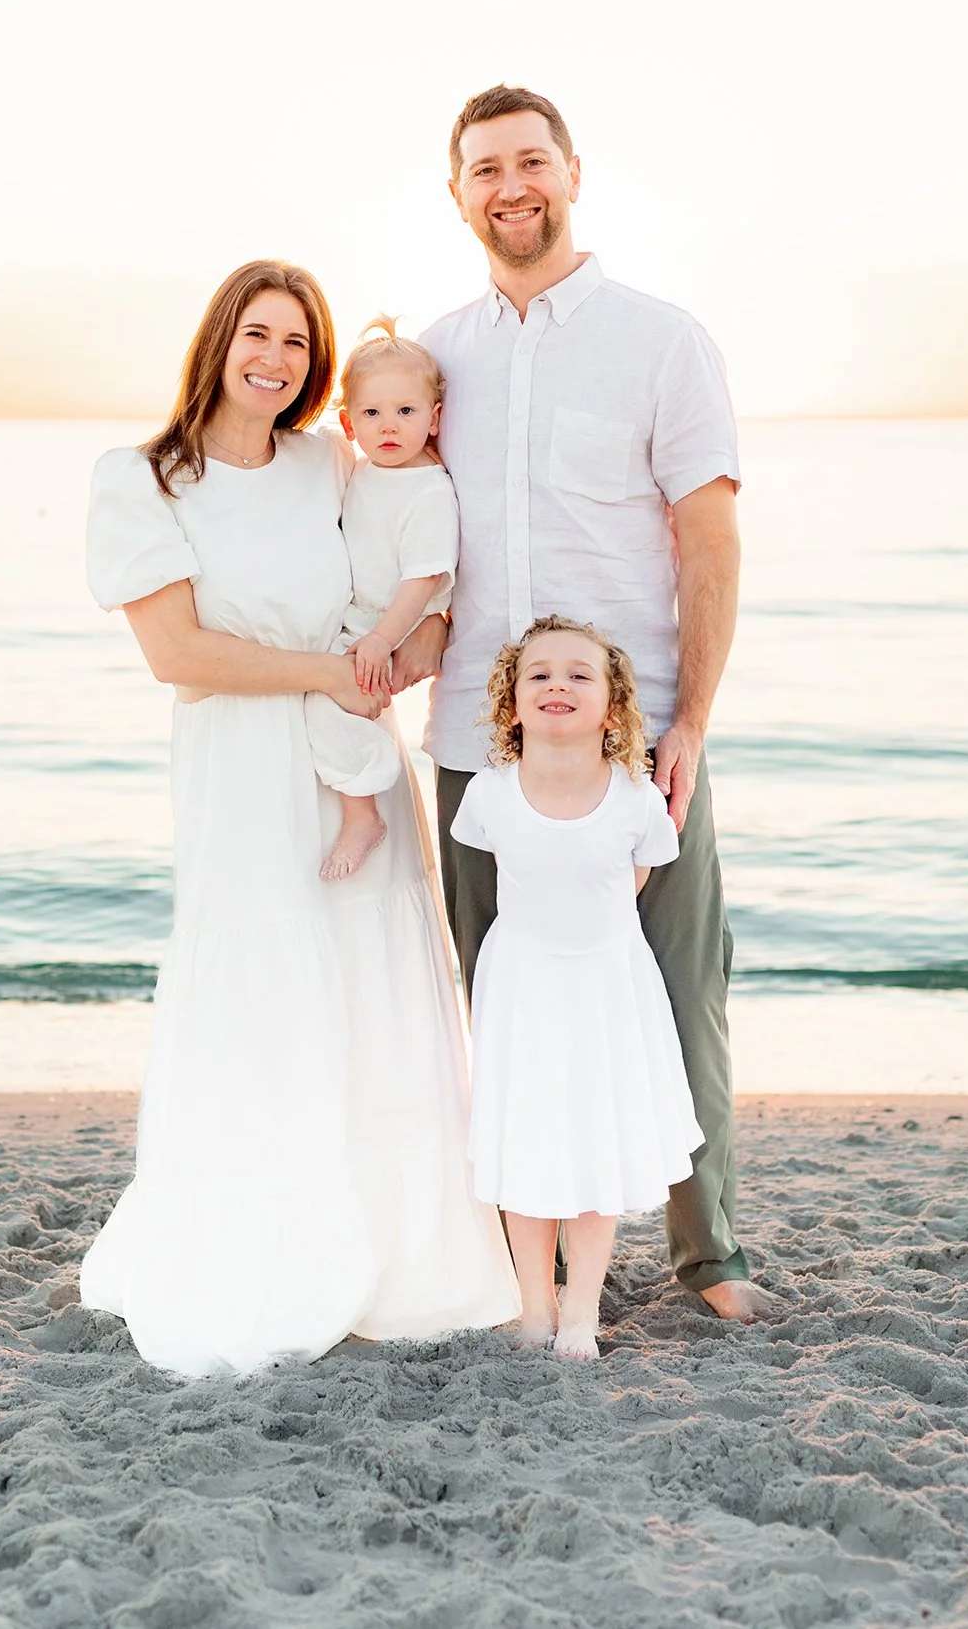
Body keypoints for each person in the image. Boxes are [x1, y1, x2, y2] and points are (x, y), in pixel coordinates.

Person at [79, 259, 519, 1376]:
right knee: (261, 970)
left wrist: (398, 659)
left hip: (353, 755)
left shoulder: (333, 461)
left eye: (294, 342)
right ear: (218, 339)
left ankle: (394, 1252)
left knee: (367, 973)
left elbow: (419, 581)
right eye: (257, 335)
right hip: (238, 765)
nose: (274, 360)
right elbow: (176, 655)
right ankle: (260, 1242)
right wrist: (322, 678)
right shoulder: (141, 480)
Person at [395, 83, 773, 1323]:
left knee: (670, 992)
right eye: (484, 169)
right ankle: (518, 1263)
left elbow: (707, 543)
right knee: (493, 1001)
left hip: (630, 739)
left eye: (529, 162)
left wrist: (690, 721)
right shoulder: (433, 357)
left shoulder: (659, 340)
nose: (511, 187)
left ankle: (702, 1251)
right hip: (472, 736)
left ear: (571, 172)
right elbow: (390, 517)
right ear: (456, 196)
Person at [453, 616, 702, 1360]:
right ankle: (534, 1305)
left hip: (607, 991)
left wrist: (594, 943)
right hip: (523, 990)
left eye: (578, 674)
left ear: (613, 705)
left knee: (598, 1143)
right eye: (539, 674)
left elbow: (636, 872)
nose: (557, 683)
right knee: (525, 1143)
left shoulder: (633, 796)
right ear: (512, 701)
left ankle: (581, 1312)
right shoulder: (492, 795)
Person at [305, 320, 459, 881]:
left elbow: (423, 579)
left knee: (328, 700)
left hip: (393, 622)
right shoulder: (364, 471)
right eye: (371, 414)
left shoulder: (428, 489)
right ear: (348, 423)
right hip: (361, 620)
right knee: (321, 698)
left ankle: (362, 813)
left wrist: (380, 639)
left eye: (406, 412)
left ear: (434, 419)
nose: (388, 426)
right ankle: (361, 798)